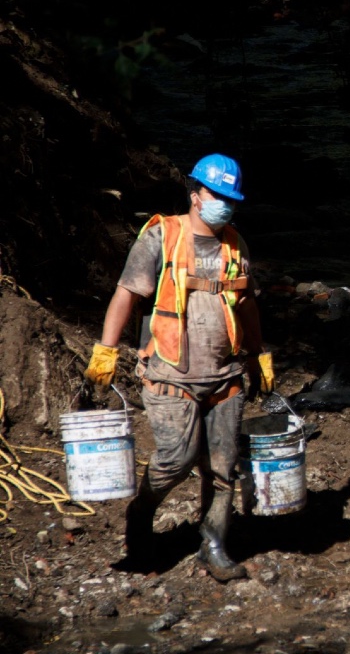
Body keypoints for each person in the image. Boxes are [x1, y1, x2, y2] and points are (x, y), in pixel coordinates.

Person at [84, 153, 274, 582]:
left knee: (223, 468)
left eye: (231, 198)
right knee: (176, 458)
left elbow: (246, 305)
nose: (224, 204)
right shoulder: (162, 236)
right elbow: (126, 295)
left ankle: (213, 545)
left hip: (225, 375)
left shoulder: (236, 244)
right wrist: (106, 352)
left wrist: (259, 357)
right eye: (217, 195)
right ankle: (141, 512)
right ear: (195, 194)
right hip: (171, 373)